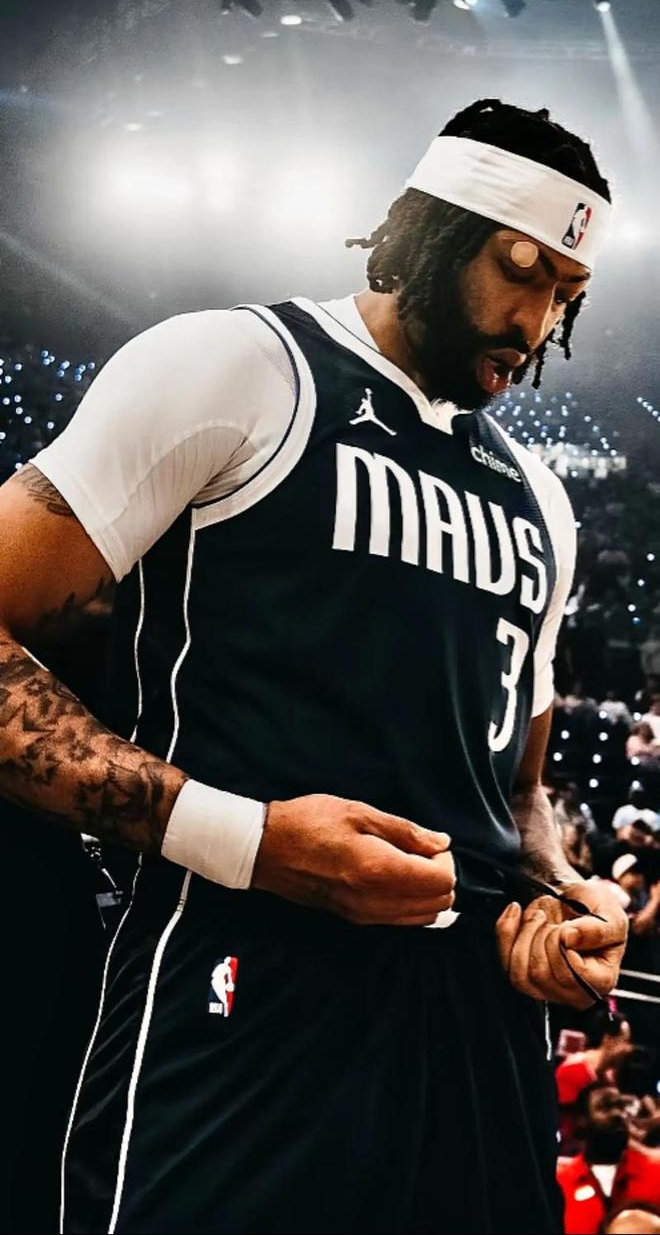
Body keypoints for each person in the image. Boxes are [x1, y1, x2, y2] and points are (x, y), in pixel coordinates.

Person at [0, 98, 629, 1234]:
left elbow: (518, 792)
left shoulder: (543, 499)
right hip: (242, 990)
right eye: (519, 269)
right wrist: (247, 841)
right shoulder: (236, 367)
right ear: (433, 231)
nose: (536, 323)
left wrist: (562, 900)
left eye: (567, 295)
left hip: (474, 1033)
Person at [557, 1083, 660, 1235]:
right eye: (605, 1107)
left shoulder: (656, 1174)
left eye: (621, 1106)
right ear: (582, 1120)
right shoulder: (562, 1184)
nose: (618, 1114)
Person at [556, 1011, 633, 1154]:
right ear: (608, 1040)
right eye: (625, 1041)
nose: (629, 1049)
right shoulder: (572, 1070)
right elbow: (565, 1125)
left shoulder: (608, 1076)